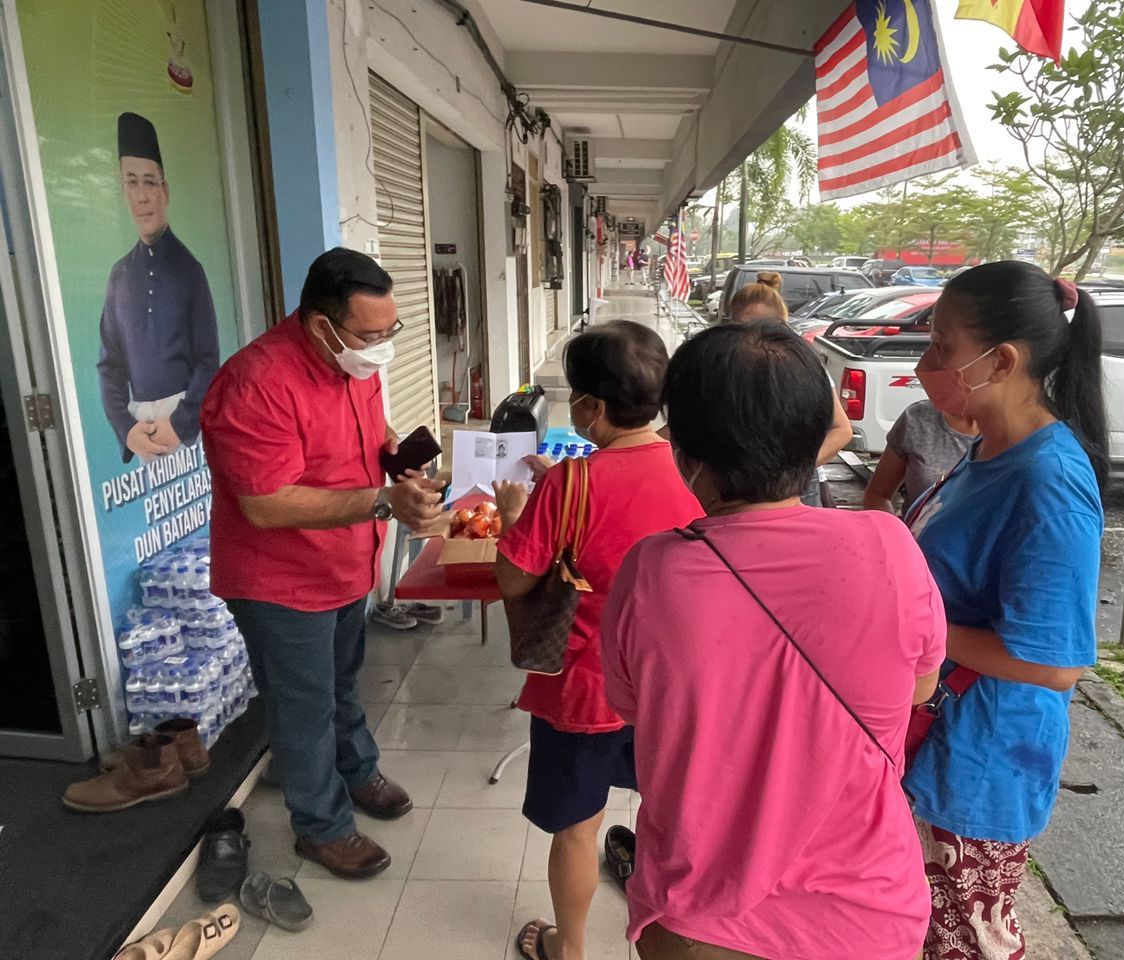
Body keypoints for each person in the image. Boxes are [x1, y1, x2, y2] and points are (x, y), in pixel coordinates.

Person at [601, 320, 947, 960]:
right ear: (816, 435)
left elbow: (631, 708)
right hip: (867, 915)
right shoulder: (889, 546)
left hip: (703, 921)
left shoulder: (652, 571)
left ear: (686, 452)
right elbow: (920, 687)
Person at [201, 248, 444, 880]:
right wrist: (384, 501)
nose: (381, 346)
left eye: (390, 330)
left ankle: (356, 771)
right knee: (301, 705)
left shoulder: (352, 362)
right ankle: (321, 826)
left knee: (341, 684)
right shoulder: (255, 383)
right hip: (280, 580)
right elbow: (263, 503)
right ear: (320, 325)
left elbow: (372, 434)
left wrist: (399, 460)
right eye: (370, 334)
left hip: (343, 564)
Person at [902, 261, 1108, 960]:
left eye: (942, 345)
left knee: (971, 942)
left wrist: (915, 630)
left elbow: (1054, 664)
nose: (928, 363)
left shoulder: (1048, 479)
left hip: (980, 764)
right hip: (936, 743)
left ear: (1003, 360)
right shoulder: (988, 448)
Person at [493, 320, 702, 960]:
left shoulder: (570, 483)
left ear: (593, 407)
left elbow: (513, 578)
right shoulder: (697, 471)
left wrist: (512, 513)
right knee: (668, 821)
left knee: (578, 832)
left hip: (585, 687)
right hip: (672, 685)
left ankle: (570, 948)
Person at [99, 111, 220, 463]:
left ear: (164, 191)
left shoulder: (189, 270)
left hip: (184, 430)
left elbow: (207, 359)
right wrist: (127, 429)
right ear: (122, 189)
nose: (142, 196)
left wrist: (182, 423)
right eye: (132, 182)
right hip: (140, 434)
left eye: (150, 182)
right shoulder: (119, 274)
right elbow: (109, 365)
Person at [727, 272, 853, 506]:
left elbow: (841, 430)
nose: (758, 337)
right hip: (735, 488)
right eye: (746, 329)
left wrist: (793, 472)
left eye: (766, 327)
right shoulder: (722, 369)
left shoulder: (803, 364)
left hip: (799, 489)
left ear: (782, 326)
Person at [863, 400, 978, 515]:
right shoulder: (918, 418)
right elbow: (877, 495)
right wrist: (894, 531)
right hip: (913, 531)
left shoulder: (995, 434)